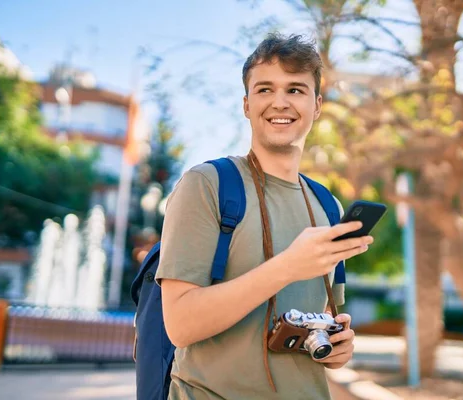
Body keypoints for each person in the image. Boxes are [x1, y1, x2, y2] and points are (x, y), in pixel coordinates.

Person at [156, 33, 374, 400]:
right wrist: (288, 265)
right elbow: (179, 325)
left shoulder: (328, 206)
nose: (279, 102)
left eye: (295, 90)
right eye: (265, 89)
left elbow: (316, 314)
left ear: (317, 105)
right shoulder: (208, 185)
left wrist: (338, 346)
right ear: (246, 104)